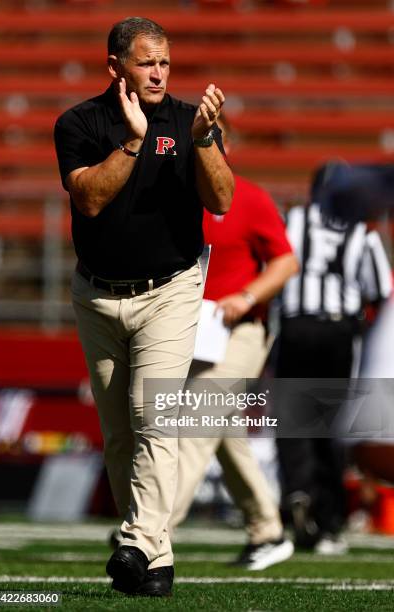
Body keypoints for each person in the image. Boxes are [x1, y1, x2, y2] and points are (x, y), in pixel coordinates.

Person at [54, 16, 234, 598]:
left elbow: (223, 200)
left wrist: (205, 139)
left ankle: (133, 541)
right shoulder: (80, 122)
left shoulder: (189, 120)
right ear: (115, 67)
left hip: (171, 287)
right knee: (118, 434)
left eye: (164, 61)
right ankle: (156, 561)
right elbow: (89, 199)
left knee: (152, 415)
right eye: (146, 61)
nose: (158, 72)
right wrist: (132, 141)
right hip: (98, 294)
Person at [168, 116, 298, 569]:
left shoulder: (250, 198)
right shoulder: (178, 197)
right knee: (224, 432)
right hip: (191, 328)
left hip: (241, 328)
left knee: (196, 422)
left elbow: (284, 262)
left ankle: (151, 531)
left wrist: (246, 297)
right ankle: (269, 529)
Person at [275, 162, 392, 554]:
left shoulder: (291, 220)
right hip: (337, 332)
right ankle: (327, 518)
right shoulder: (362, 231)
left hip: (294, 327)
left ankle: (297, 492)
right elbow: (380, 291)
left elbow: (271, 267)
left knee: (294, 423)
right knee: (328, 427)